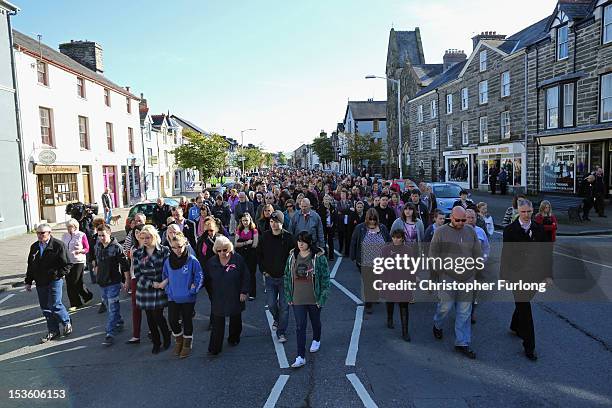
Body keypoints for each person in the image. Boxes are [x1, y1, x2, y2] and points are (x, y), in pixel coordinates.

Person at [501, 199, 551, 361]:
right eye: (523, 212)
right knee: (526, 310)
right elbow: (506, 254)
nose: (526, 215)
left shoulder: (539, 229)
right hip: (517, 276)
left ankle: (515, 325)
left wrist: (548, 275)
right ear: (518, 212)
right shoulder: (510, 230)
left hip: (535, 275)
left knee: (523, 304)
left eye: (529, 212)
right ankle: (529, 346)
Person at [430, 206, 482, 359]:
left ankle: (462, 342)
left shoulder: (470, 231)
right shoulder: (440, 232)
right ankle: (437, 324)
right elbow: (433, 254)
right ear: (450, 218)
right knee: (445, 307)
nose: (460, 223)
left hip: (467, 277)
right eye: (457, 220)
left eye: (463, 220)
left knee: (464, 312)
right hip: (447, 276)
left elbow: (477, 253)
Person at [284, 231, 330, 368]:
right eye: (299, 241)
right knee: (300, 326)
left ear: (309, 242)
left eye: (303, 241)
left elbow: (325, 278)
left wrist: (322, 298)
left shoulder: (319, 257)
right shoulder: (292, 256)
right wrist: (288, 294)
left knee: (315, 321)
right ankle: (300, 356)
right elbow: (287, 275)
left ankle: (316, 338)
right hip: (297, 298)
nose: (301, 244)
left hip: (313, 298)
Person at [25, 223, 73, 343]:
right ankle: (53, 330)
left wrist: (57, 275)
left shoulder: (58, 245)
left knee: (55, 304)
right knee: (45, 307)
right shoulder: (35, 247)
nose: (40, 235)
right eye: (38, 233)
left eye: (42, 233)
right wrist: (28, 281)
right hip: (40, 281)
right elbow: (31, 266)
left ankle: (66, 322)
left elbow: (68, 264)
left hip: (54, 280)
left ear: (49, 233)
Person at [160, 232, 204, 358]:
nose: (177, 250)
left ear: (185, 244)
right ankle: (179, 340)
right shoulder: (168, 261)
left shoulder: (192, 260)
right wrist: (169, 290)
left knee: (187, 320)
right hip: (173, 296)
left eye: (179, 246)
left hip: (188, 297)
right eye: (174, 247)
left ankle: (187, 343)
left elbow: (199, 276)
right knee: (173, 320)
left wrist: (193, 289)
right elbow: (165, 276)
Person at [207, 236, 250, 355]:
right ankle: (214, 348)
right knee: (217, 322)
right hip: (218, 295)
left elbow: (245, 276)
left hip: (235, 293)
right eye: (219, 250)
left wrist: (244, 291)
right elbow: (207, 279)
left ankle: (234, 338)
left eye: (225, 250)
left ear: (229, 248)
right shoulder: (211, 262)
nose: (222, 253)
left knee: (235, 317)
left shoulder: (237, 259)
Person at [257, 210, 295, 343]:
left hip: (285, 277)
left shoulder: (289, 238)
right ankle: (277, 319)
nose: (273, 224)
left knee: (284, 306)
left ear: (282, 223)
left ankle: (281, 332)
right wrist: (263, 270)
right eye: (271, 222)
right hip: (270, 277)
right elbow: (259, 255)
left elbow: (295, 254)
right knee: (271, 304)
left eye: (276, 222)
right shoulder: (265, 237)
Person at [133, 225, 172, 354]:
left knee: (158, 316)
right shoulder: (138, 253)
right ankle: (156, 342)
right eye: (142, 237)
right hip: (146, 290)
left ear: (154, 237)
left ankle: (167, 337)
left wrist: (164, 282)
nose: (145, 240)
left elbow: (170, 269)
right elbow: (138, 274)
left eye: (148, 237)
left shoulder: (165, 250)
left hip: (161, 287)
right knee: (150, 318)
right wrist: (151, 283)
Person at [93, 224, 130, 346]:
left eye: (103, 235)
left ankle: (109, 333)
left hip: (113, 282)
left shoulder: (116, 247)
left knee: (112, 307)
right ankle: (119, 322)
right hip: (102, 282)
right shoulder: (97, 246)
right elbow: (96, 260)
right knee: (109, 303)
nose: (101, 238)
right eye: (99, 236)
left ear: (109, 234)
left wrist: (127, 281)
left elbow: (124, 266)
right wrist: (96, 268)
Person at [349, 208, 391, 314]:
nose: (372, 221)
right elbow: (354, 241)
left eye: (374, 219)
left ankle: (375, 296)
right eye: (370, 219)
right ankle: (368, 304)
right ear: (367, 218)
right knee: (368, 282)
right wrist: (352, 256)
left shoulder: (382, 228)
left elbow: (389, 241)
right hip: (364, 262)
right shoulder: (360, 228)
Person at [381, 229, 415, 341]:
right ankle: (389, 318)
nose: (396, 240)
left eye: (398, 237)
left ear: (403, 238)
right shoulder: (386, 250)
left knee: (404, 306)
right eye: (394, 237)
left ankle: (405, 332)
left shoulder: (408, 250)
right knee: (390, 302)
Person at [61, 218, 93, 311]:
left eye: (70, 226)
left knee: (75, 281)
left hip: (78, 261)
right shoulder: (64, 236)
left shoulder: (81, 235)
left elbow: (87, 248)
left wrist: (81, 251)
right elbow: (62, 247)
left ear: (75, 227)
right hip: (68, 261)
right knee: (69, 282)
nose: (68, 228)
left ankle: (82, 299)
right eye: (67, 227)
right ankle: (79, 301)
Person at [465, 209, 490, 325]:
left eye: (473, 218)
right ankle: (463, 312)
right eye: (468, 218)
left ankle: (471, 313)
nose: (470, 220)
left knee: (474, 293)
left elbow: (486, 248)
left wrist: (483, 260)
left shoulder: (480, 231)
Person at [235, 212, 259, 300]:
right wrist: (246, 242)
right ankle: (242, 291)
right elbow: (235, 244)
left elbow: (255, 244)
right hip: (241, 255)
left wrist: (242, 243)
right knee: (240, 273)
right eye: (243, 220)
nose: (245, 222)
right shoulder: (239, 230)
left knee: (251, 274)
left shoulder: (254, 231)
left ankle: (252, 293)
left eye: (247, 220)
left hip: (251, 255)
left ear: (250, 220)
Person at [318, 195, 337, 261]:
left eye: (328, 199)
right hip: (323, 226)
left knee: (331, 241)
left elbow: (335, 216)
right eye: (325, 199)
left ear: (330, 200)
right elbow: (320, 218)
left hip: (330, 226)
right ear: (323, 200)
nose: (326, 200)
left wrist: (333, 223)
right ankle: (325, 254)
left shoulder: (332, 208)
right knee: (324, 240)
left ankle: (331, 256)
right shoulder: (320, 208)